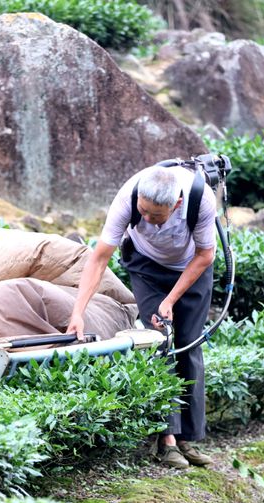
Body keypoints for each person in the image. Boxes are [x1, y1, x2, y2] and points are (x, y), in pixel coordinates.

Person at [67, 164, 217, 469]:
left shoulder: (201, 199)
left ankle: (187, 437)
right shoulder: (127, 198)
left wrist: (171, 299)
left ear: (176, 205)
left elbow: (206, 254)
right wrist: (77, 312)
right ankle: (167, 441)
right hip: (147, 267)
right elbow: (99, 258)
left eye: (155, 216)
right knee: (159, 343)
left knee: (188, 345)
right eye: (143, 212)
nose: (146, 219)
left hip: (192, 268)